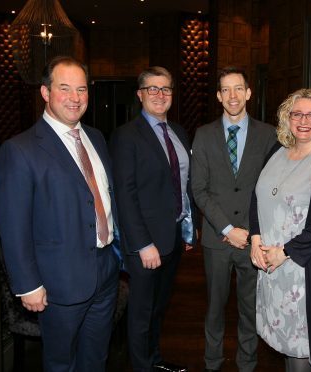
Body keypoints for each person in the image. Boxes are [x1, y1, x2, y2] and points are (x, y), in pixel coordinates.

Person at [0, 56, 120, 372]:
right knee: (60, 364)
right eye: (65, 88)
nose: (75, 98)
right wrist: (27, 284)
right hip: (58, 283)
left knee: (95, 359)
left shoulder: (97, 137)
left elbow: (105, 199)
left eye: (81, 89)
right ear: (45, 93)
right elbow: (13, 226)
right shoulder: (20, 150)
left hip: (105, 273)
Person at [249, 89, 311, 372]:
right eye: (297, 114)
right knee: (284, 343)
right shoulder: (276, 151)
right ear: (287, 118)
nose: (303, 121)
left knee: (302, 347)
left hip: (304, 272)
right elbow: (257, 196)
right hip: (270, 266)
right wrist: (255, 240)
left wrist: (284, 252)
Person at [110, 66, 196, 372]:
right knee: (142, 312)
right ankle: (141, 367)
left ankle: (155, 361)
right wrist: (142, 243)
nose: (160, 95)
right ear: (140, 95)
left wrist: (187, 229)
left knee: (159, 307)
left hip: (172, 236)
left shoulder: (179, 132)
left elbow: (183, 184)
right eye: (153, 89)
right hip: (145, 242)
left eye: (166, 89)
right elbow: (125, 194)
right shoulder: (126, 136)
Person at [191, 66, 277, 372]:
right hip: (217, 239)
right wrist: (228, 228)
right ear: (218, 96)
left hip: (255, 239)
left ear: (249, 92)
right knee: (214, 307)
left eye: (238, 88)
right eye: (226, 89)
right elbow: (198, 189)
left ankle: (247, 364)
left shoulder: (269, 135)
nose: (233, 95)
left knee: (249, 308)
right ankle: (212, 363)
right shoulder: (203, 135)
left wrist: (251, 232)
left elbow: (271, 188)